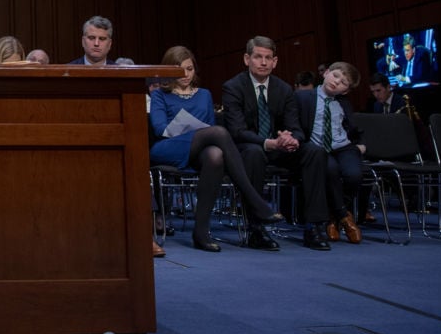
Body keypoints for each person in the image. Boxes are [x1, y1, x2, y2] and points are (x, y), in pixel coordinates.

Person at [149, 46, 282, 252]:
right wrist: (193, 133)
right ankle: (253, 199)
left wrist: (201, 135)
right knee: (219, 133)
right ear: (169, 70)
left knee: (216, 154)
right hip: (168, 147)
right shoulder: (160, 95)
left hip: (199, 148)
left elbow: (209, 126)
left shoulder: (204, 94)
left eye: (190, 69)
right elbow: (159, 128)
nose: (185, 75)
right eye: (180, 69)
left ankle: (200, 233)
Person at [221, 36, 331, 251]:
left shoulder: (284, 89)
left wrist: (291, 138)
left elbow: (297, 128)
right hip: (248, 147)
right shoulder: (233, 87)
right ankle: (256, 229)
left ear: (275, 62)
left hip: (279, 147)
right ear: (247, 59)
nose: (263, 62)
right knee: (254, 153)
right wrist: (268, 143)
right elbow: (237, 131)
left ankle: (313, 227)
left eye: (268, 58)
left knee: (314, 152)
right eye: (258, 57)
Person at [296, 61, 365, 245]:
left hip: (343, 146)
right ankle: (344, 216)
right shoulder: (304, 97)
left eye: (343, 82)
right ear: (326, 73)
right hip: (318, 148)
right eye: (335, 76)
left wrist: (359, 144)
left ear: (346, 90)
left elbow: (352, 128)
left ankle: (334, 216)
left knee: (354, 175)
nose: (337, 82)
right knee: (331, 171)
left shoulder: (343, 103)